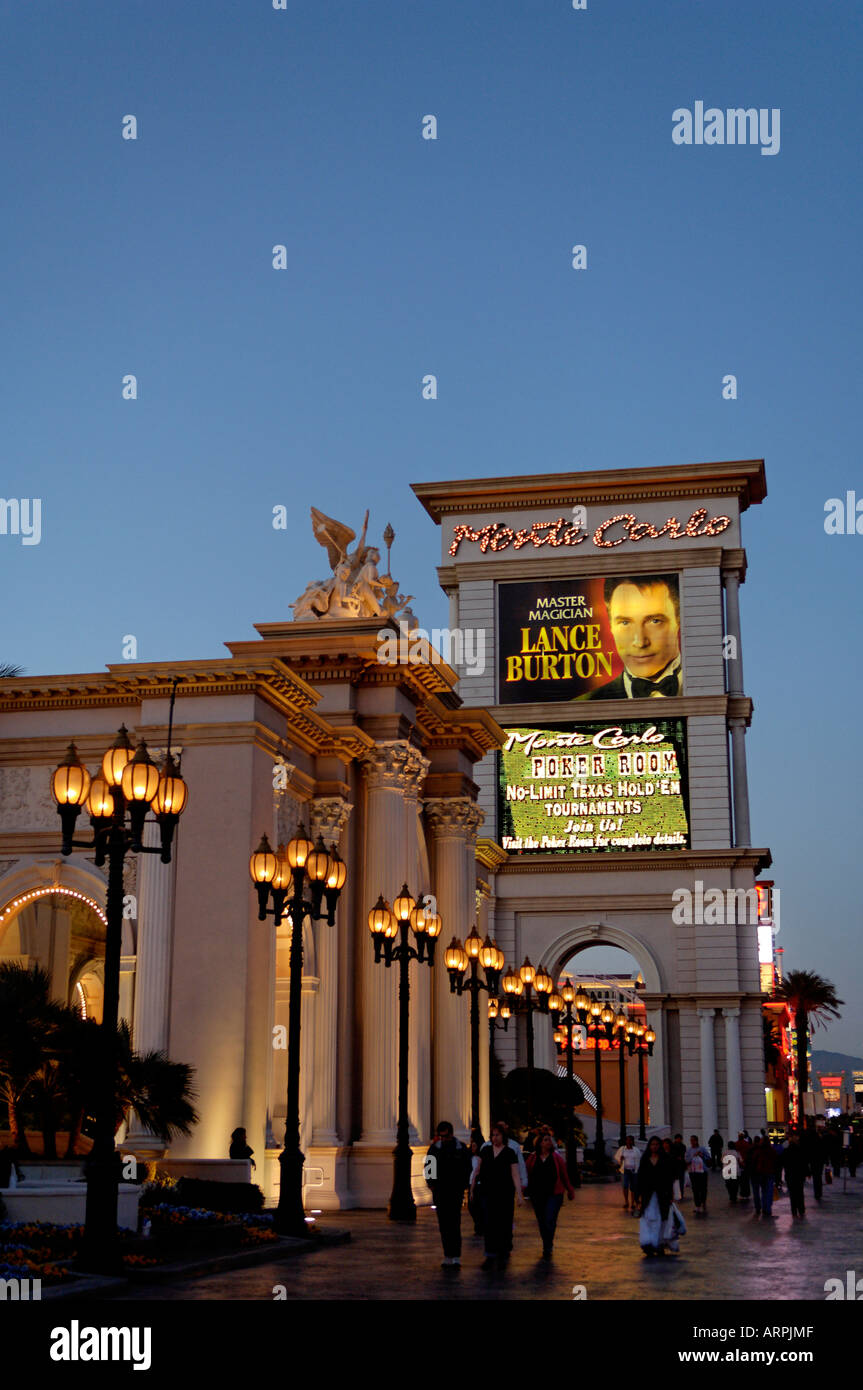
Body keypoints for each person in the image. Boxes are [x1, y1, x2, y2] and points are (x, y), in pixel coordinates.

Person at [576, 575, 682, 700]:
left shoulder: (708, 681)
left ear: (679, 620)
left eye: (655, 621)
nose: (640, 642)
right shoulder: (587, 702)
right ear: (611, 626)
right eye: (625, 623)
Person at [472, 1122, 524, 1269]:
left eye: (497, 1135)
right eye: (493, 1135)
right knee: (488, 1222)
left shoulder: (509, 1153)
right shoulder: (486, 1151)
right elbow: (478, 1169)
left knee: (504, 1222)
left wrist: (519, 1194)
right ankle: (490, 1253)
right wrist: (472, 1187)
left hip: (505, 1193)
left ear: (503, 1136)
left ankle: (503, 1249)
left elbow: (515, 1173)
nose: (495, 1138)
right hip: (488, 1192)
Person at [425, 1121, 472, 1267]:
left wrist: (463, 1186)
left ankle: (455, 1255)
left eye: (445, 1136)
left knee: (454, 1223)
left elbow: (467, 1168)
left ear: (451, 1134)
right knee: (444, 1224)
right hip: (441, 1192)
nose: (443, 1139)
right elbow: (429, 1168)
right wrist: (431, 1185)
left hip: (454, 1191)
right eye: (441, 1136)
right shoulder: (435, 1149)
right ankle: (448, 1254)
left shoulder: (460, 1149)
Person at [525, 1131, 575, 1259]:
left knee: (550, 1219)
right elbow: (526, 1174)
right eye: (546, 1140)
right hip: (537, 1194)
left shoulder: (556, 1157)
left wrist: (570, 1190)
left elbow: (564, 1174)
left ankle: (548, 1246)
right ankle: (546, 1244)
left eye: (549, 1140)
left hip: (554, 1194)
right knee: (542, 1221)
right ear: (540, 1143)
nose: (549, 1142)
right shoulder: (533, 1158)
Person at [637, 1136, 683, 1257]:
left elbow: (669, 1177)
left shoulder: (665, 1159)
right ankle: (648, 1243)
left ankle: (659, 1243)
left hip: (662, 1194)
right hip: (648, 1195)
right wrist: (639, 1196)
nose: (655, 1146)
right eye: (652, 1144)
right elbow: (641, 1177)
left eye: (657, 1144)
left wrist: (671, 1194)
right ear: (649, 1146)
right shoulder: (645, 1159)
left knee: (662, 1220)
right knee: (648, 1219)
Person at [749, 1135, 778, 1219]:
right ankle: (767, 1208)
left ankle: (763, 1207)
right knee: (768, 1191)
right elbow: (776, 1161)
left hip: (761, 1172)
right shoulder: (772, 1150)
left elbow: (754, 1161)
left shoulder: (759, 1151)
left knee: (763, 1190)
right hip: (770, 1172)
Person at [782, 1131, 808, 1220]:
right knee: (800, 1192)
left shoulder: (787, 1151)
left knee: (792, 1194)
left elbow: (783, 1163)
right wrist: (807, 1172)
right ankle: (801, 1209)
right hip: (799, 1175)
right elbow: (804, 1162)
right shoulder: (801, 1150)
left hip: (790, 1175)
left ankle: (794, 1210)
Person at [614, 1135, 641, 1213]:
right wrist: (620, 1159)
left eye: (630, 1140)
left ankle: (632, 1202)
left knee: (633, 1187)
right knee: (625, 1185)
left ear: (633, 1141)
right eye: (627, 1140)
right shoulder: (622, 1149)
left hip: (633, 1170)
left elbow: (639, 1159)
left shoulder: (636, 1150)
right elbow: (617, 1158)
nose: (629, 1142)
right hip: (625, 1170)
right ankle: (626, 1201)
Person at [685, 1135, 711, 1215]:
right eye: (691, 1140)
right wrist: (693, 1156)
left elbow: (708, 1158)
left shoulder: (702, 1149)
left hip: (702, 1171)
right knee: (695, 1188)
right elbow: (686, 1160)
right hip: (693, 1171)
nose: (692, 1142)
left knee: (703, 1188)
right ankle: (697, 1205)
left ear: (697, 1141)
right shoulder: (689, 1150)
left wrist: (701, 1155)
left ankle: (703, 1202)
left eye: (693, 1140)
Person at [467, 1128, 485, 1236]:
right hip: (471, 1183)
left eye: (474, 1145)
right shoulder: (471, 1157)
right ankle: (478, 1225)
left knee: (476, 1206)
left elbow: (476, 1172)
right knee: (472, 1206)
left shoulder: (480, 1158)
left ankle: (479, 1226)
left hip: (477, 1184)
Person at [801, 1122, 825, 1202]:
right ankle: (818, 1192)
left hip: (811, 1159)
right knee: (818, 1177)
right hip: (818, 1159)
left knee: (815, 1176)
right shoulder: (818, 1138)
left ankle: (817, 1192)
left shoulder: (807, 1137)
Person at [735, 1132, 752, 1202]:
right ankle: (747, 1194)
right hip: (746, 1164)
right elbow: (749, 1154)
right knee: (746, 1180)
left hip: (739, 1164)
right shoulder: (747, 1144)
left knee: (741, 1180)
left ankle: (742, 1194)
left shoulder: (736, 1144)